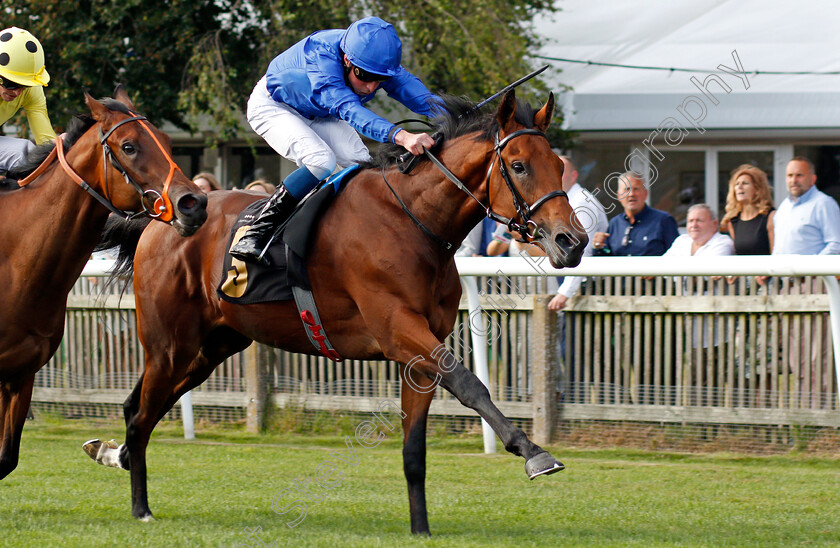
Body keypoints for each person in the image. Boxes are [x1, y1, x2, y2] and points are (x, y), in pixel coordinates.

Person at [231, 16, 442, 263]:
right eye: (364, 76)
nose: (371, 87)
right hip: (275, 106)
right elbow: (349, 110)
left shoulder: (374, 59)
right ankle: (256, 231)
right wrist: (402, 136)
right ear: (346, 60)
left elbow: (419, 97)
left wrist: (465, 115)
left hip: (321, 112)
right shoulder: (321, 54)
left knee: (363, 166)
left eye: (380, 79)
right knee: (321, 161)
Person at [547, 155, 608, 311]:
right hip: (573, 283)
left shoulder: (581, 202)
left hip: (585, 287)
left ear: (574, 176)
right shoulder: (563, 201)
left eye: (561, 171)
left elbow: (583, 251)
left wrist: (564, 293)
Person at [0, 27, 55, 174]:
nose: (18, 92)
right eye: (11, 84)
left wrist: (62, 149)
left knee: (25, 153)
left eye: (24, 85)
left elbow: (46, 142)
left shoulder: (32, 91)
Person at [592, 172, 679, 257]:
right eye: (626, 189)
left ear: (645, 194)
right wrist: (598, 247)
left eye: (636, 189)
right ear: (618, 196)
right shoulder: (614, 223)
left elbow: (678, 255)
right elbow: (607, 260)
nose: (631, 194)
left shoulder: (664, 221)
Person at [773, 156, 840, 256]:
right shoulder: (784, 206)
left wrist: (812, 268)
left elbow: (836, 245)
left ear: (813, 179)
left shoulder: (824, 204)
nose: (794, 180)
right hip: (782, 271)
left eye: (799, 175)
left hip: (812, 271)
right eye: (790, 175)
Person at [720, 165, 775, 255]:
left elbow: (776, 254)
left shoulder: (770, 216)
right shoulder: (733, 221)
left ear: (757, 189)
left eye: (745, 183)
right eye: (737, 184)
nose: (739, 187)